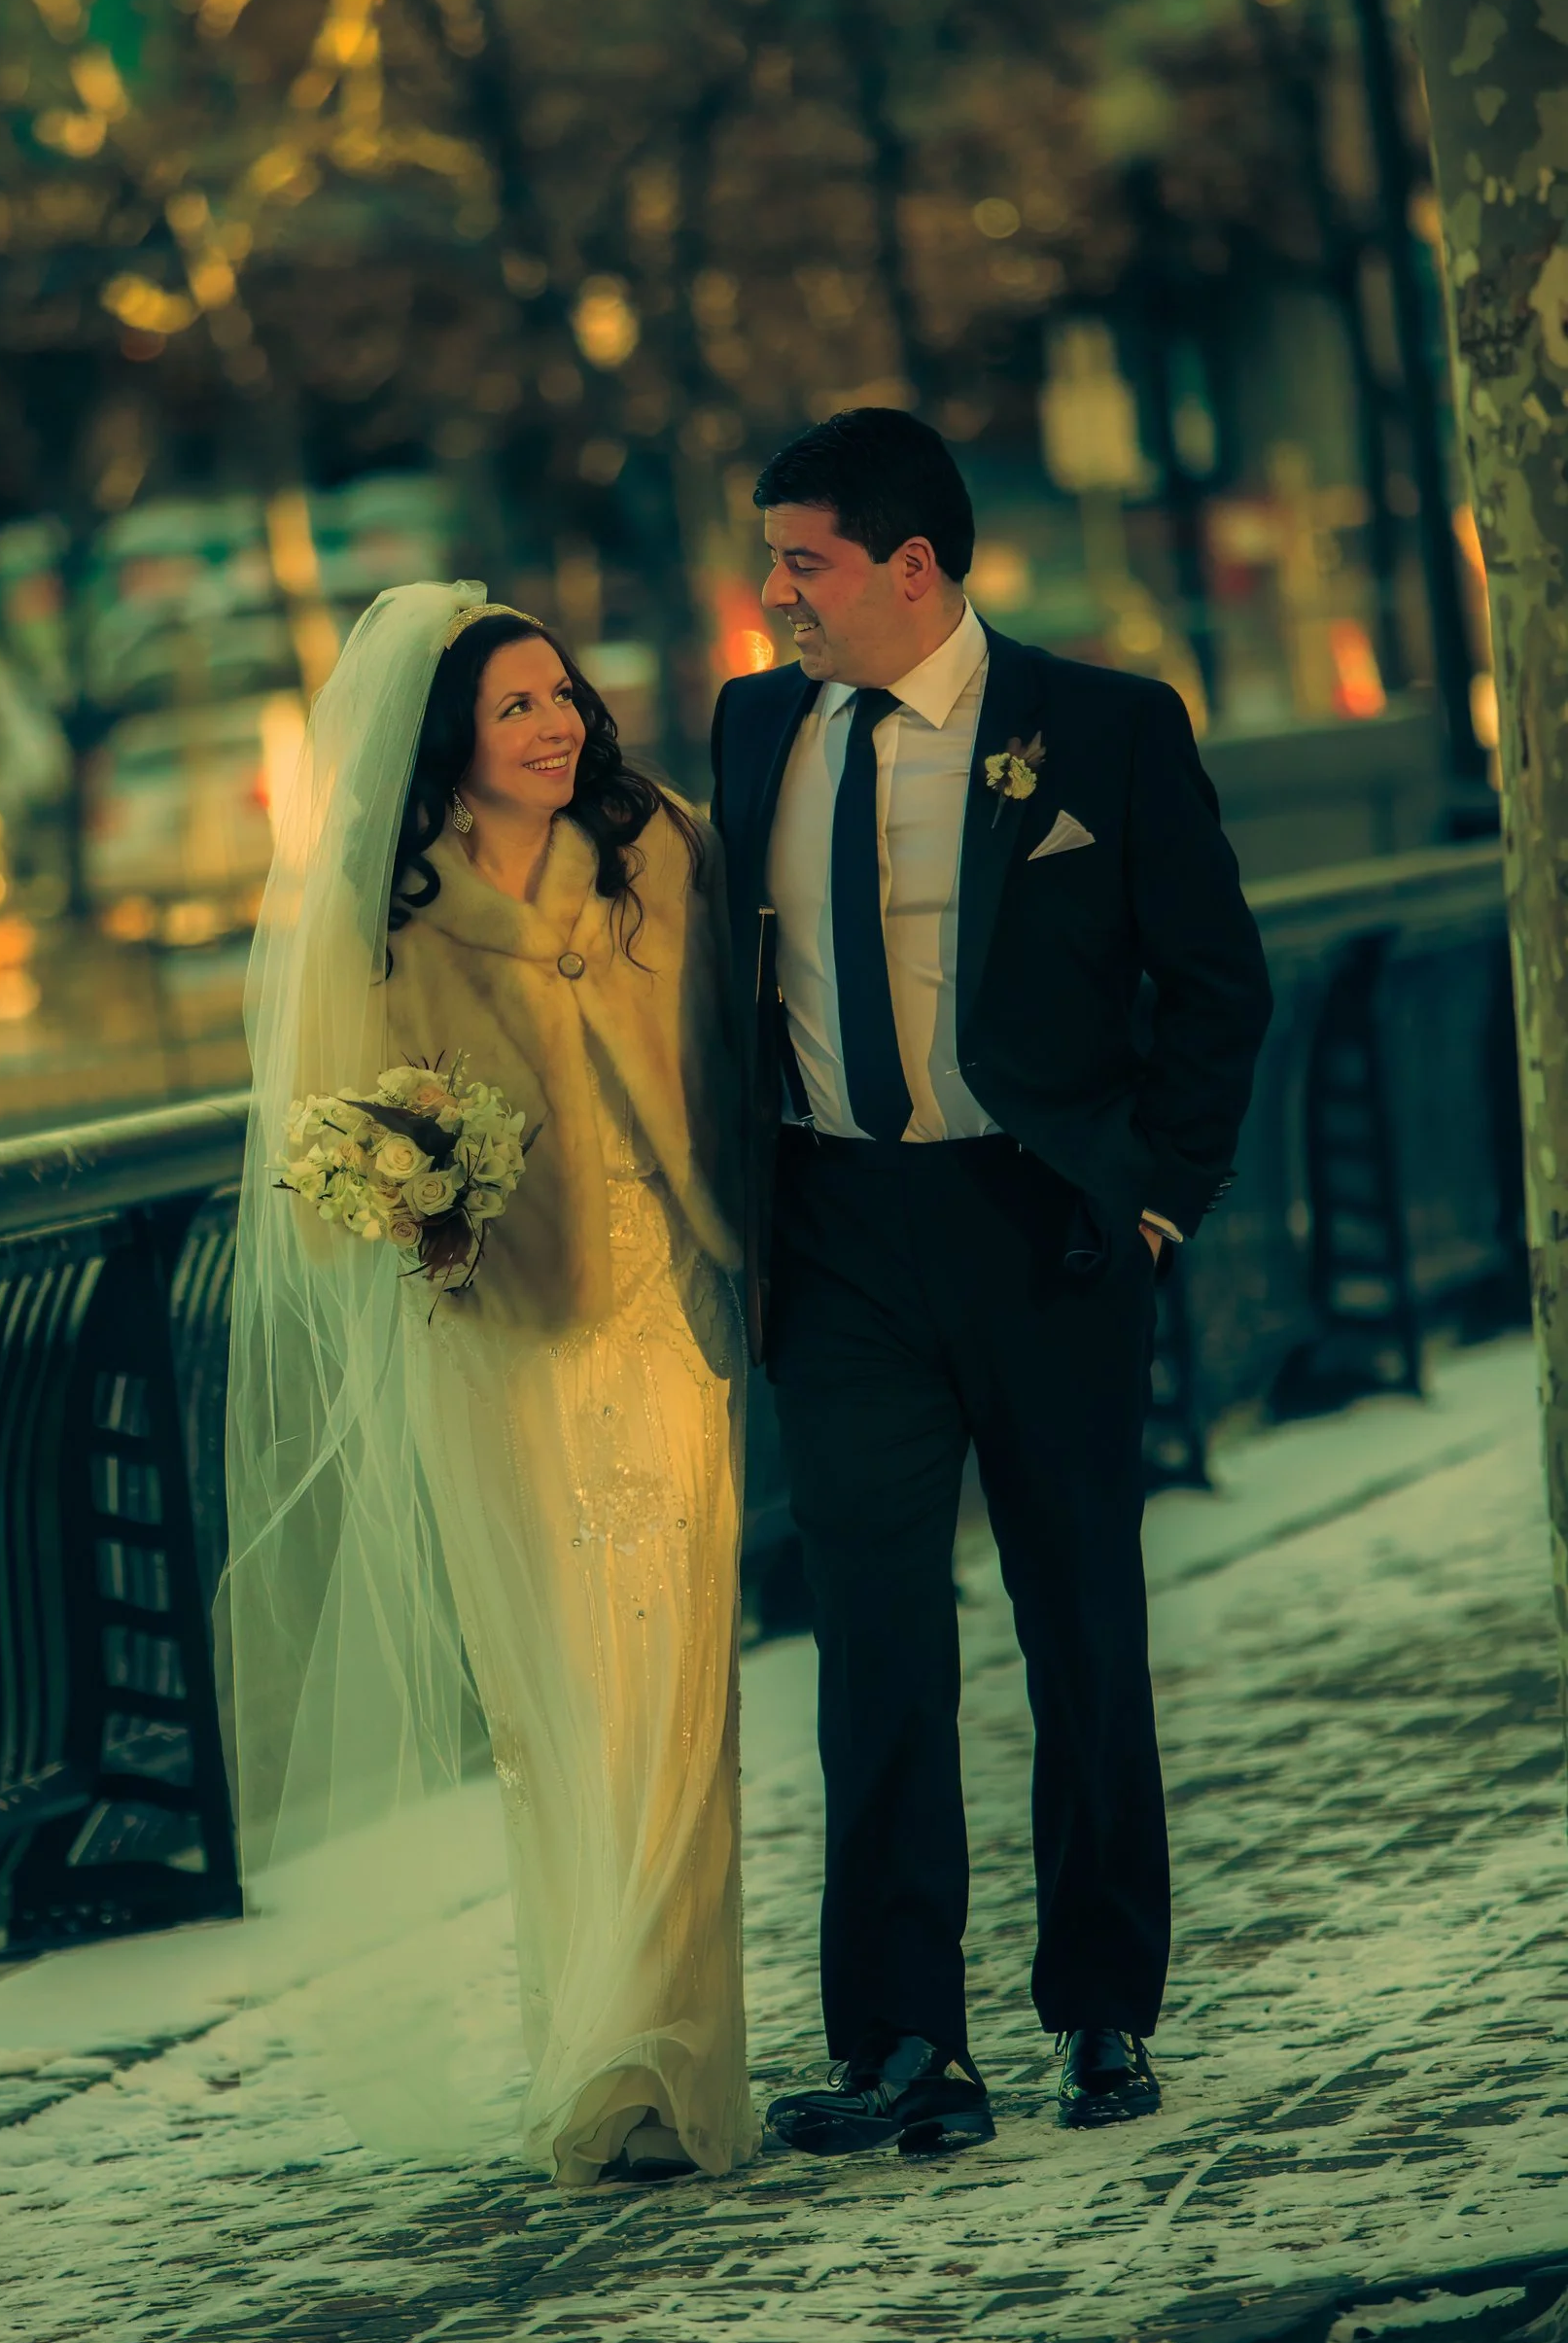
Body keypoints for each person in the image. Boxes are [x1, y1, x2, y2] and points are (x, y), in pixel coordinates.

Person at [711, 409, 1272, 2154]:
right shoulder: (753, 731)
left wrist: (1160, 1198)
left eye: (802, 561)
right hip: (841, 1244)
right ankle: (901, 2045)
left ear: (913, 566)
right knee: (873, 1637)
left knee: (1081, 1623)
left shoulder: (1102, 725)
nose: (777, 595)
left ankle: (1103, 2011)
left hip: (1043, 1231)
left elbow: (1216, 983)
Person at [223, 580, 758, 2189]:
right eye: (515, 706)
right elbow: (322, 1146)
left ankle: (664, 2062)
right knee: (561, 1709)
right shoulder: (383, 906)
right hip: (502, 1340)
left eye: (563, 697)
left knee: (682, 1701)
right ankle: (589, 2046)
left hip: (668, 1310)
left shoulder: (662, 847)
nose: (555, 727)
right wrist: (409, 1191)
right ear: (448, 735)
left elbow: (748, 1051)